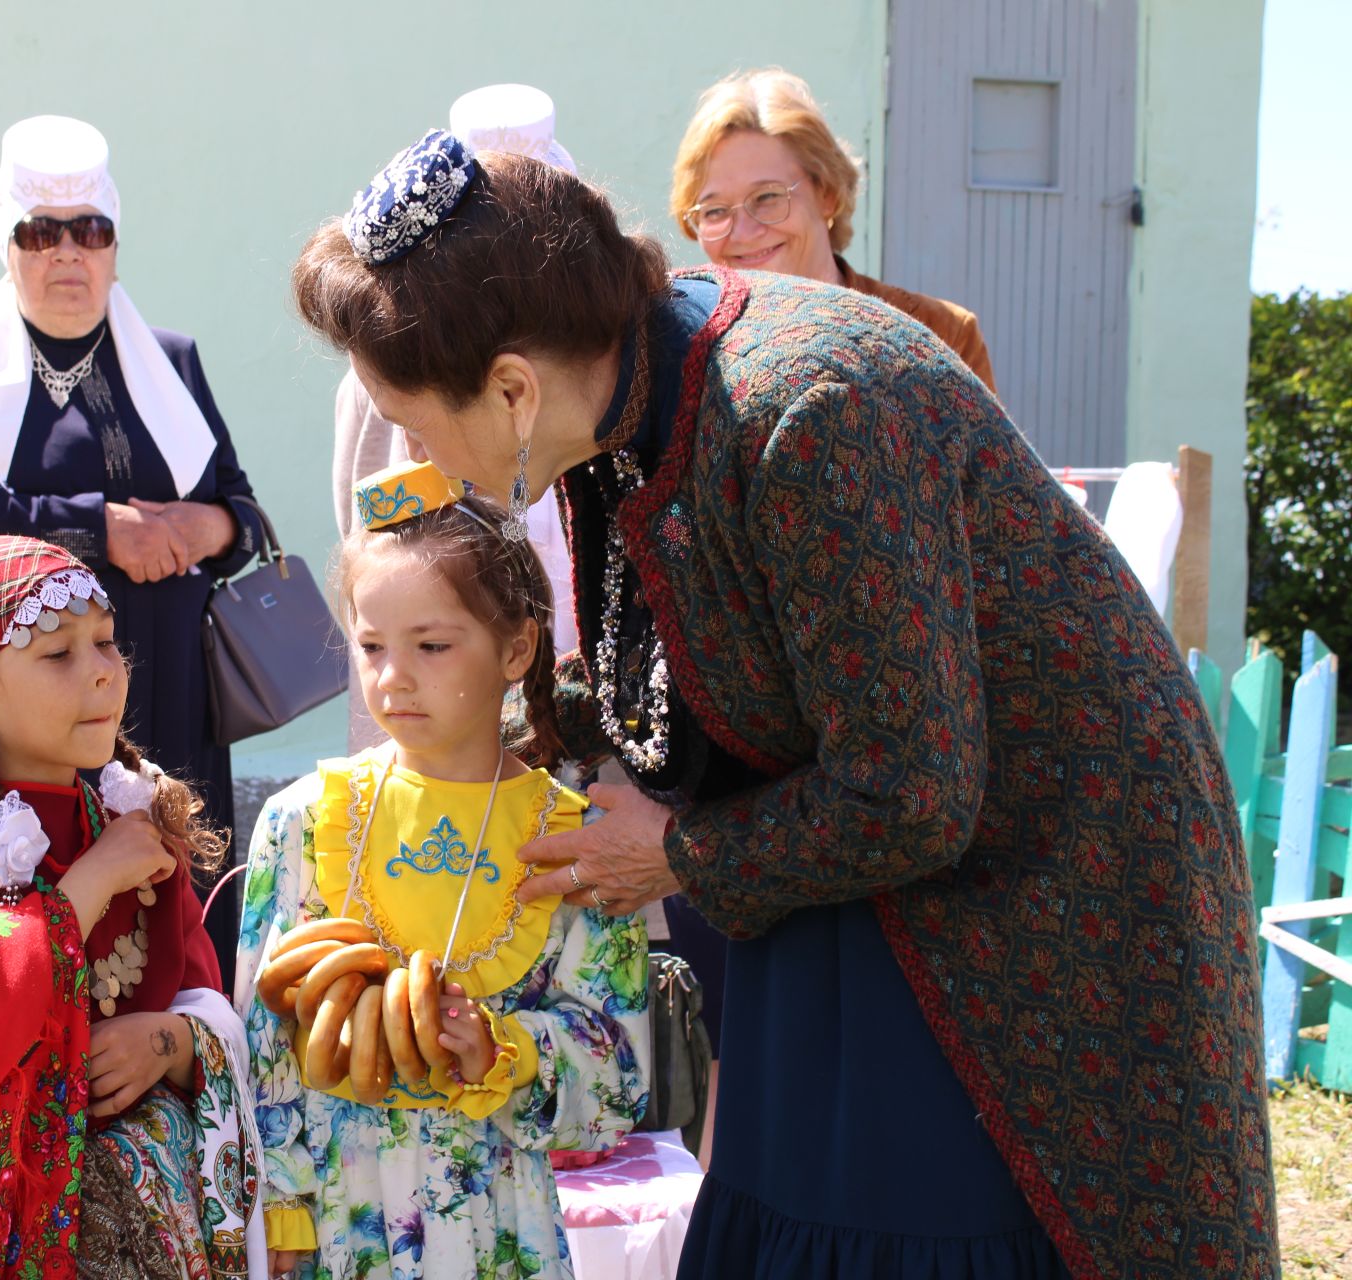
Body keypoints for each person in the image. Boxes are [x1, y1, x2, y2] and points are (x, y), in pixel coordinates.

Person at [290, 132, 1277, 1279]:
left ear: (512, 387)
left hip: (1029, 911)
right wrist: (480, 736)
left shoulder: (808, 406)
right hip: (848, 883)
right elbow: (690, 663)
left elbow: (911, 792)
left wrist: (678, 856)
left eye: (411, 417)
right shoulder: (619, 401)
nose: (409, 451)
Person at [235, 461, 649, 1280]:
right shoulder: (305, 822)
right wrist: (278, 1213)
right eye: (372, 646)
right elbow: (261, 1046)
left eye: (430, 645)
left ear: (516, 647)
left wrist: (502, 1050)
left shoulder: (577, 841)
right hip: (332, 1232)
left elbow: (618, 1077)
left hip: (500, 1236)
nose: (393, 677)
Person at [0, 535, 265, 1279]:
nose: (101, 672)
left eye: (105, 643)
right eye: (58, 655)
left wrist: (167, 1041)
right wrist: (91, 883)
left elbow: (205, 1005)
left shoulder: (136, 823)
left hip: (159, 1224)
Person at [0, 115, 266, 979]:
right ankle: (27, 1011)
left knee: (176, 867)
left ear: (113, 243)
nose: (68, 253)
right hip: (27, 687)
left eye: (89, 231)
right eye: (41, 233)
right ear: (9, 243)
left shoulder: (168, 359)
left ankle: (191, 1035)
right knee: (36, 874)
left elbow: (241, 510)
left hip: (168, 676)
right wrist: (103, 528)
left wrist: (199, 528)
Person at [332, 84, 580, 750]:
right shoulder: (381, 376)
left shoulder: (592, 370)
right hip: (433, 730)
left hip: (587, 727)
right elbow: (365, 551)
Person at [672, 67, 997, 390]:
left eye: (767, 197)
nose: (743, 232)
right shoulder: (678, 353)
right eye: (715, 211)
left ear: (826, 193)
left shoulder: (942, 333)